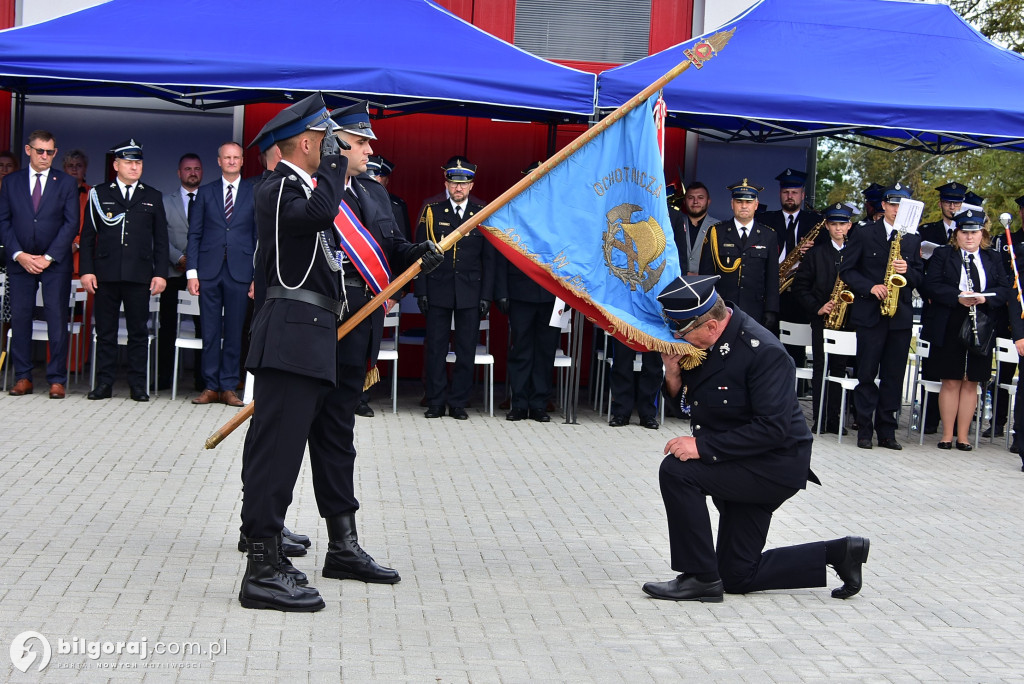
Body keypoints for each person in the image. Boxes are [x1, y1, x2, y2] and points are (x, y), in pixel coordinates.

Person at [238, 94, 442, 611]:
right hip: (292, 335)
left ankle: (309, 552)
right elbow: (321, 214)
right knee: (277, 452)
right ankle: (262, 561)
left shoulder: (317, 188)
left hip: (319, 337)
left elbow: (369, 244)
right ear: (309, 143)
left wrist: (414, 258)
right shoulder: (279, 188)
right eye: (330, 139)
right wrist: (331, 161)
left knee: (318, 443)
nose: (347, 147)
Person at [643, 274, 868, 602]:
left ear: (710, 326)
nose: (678, 337)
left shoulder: (764, 353)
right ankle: (840, 553)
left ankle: (699, 578)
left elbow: (772, 429)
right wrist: (673, 373)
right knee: (736, 574)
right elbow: (684, 405)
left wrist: (702, 447)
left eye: (683, 331)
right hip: (738, 460)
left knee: (677, 471)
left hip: (771, 466)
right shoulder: (705, 342)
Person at [79, 139, 168, 402]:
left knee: (138, 333)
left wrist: (160, 273)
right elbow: (87, 237)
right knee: (105, 332)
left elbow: (160, 239)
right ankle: (104, 383)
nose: (134, 167)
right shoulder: (100, 194)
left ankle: (137, 385)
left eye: (138, 162)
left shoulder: (152, 196)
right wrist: (86, 270)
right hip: (105, 273)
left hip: (139, 275)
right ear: (116, 165)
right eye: (128, 162)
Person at [839, 182, 924, 450]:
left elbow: (922, 278)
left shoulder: (912, 238)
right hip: (870, 314)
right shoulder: (865, 234)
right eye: (892, 204)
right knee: (866, 373)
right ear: (884, 206)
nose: (896, 210)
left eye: (902, 206)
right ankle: (864, 429)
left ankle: (887, 431)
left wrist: (908, 270)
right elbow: (847, 271)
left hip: (899, 317)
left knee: (894, 376)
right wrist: (870, 287)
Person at [920, 210, 1012, 450]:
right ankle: (946, 435)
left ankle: (964, 436)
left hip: (981, 322)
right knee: (951, 379)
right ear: (956, 234)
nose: (970, 237)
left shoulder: (991, 257)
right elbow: (931, 285)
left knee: (971, 380)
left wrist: (985, 299)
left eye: (974, 232)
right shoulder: (943, 254)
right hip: (952, 319)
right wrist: (956, 297)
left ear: (982, 233)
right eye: (965, 232)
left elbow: (1005, 288)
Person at [0, 130, 79, 398]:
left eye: (50, 152)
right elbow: (4, 221)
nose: (45, 156)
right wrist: (19, 254)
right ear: (28, 150)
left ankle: (57, 380)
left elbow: (71, 224)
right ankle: (22, 377)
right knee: (21, 318)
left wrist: (47, 257)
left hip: (54, 263)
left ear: (55, 153)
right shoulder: (11, 182)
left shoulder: (66, 183)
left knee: (56, 318)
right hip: (20, 261)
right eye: (40, 151)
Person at [416, 156, 495, 420]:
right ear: (446, 183)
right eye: (453, 183)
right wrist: (422, 291)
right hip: (438, 288)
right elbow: (420, 257)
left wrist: (486, 296)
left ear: (472, 185)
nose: (458, 189)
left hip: (470, 292)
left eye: (464, 184)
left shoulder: (482, 212)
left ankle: (459, 402)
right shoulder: (432, 210)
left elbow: (489, 259)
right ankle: (436, 401)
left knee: (465, 349)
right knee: (436, 348)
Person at [186, 142, 255, 407]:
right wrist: (192, 272)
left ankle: (228, 387)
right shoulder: (205, 193)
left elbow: (260, 237)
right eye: (227, 157)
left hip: (241, 272)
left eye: (236, 157)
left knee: (236, 331)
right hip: (209, 272)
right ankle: (210, 386)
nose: (231, 161)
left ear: (242, 161)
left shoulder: (254, 191)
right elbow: (195, 233)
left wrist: (256, 277)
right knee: (210, 331)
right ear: (218, 161)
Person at [791, 202, 854, 433]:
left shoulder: (855, 252)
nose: (838, 229)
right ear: (827, 226)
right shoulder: (816, 254)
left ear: (849, 226)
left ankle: (836, 419)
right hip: (823, 320)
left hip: (849, 321)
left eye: (843, 224)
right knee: (821, 367)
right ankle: (820, 418)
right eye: (834, 224)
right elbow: (800, 288)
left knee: (840, 368)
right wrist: (818, 308)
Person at [699, 179, 779, 330]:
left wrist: (771, 309)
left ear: (756, 205)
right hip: (723, 308)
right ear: (732, 204)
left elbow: (772, 278)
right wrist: (707, 307)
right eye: (739, 201)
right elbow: (706, 275)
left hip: (755, 308)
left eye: (748, 202)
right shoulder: (717, 232)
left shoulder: (769, 235)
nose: (743, 206)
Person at [762, 168, 823, 364]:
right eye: (786, 192)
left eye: (794, 192)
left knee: (796, 346)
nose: (790, 196)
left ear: (802, 195)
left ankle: (797, 387)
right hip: (773, 290)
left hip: (800, 291)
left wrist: (811, 252)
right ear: (780, 194)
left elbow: (826, 258)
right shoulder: (766, 220)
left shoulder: (816, 222)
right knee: (768, 342)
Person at [157, 153, 203, 391]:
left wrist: (194, 262)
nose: (192, 172)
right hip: (173, 273)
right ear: (179, 173)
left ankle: (201, 381)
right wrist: (180, 258)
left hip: (200, 276)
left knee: (203, 327)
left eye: (196, 168)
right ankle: (164, 378)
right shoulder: (165, 201)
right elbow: (160, 236)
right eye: (187, 169)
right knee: (167, 327)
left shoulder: (209, 198)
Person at [672, 182, 719, 275]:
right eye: (690, 198)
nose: (695, 201)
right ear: (684, 201)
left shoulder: (719, 227)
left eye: (700, 197)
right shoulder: (673, 225)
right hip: (676, 281)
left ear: (708, 201)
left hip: (707, 284)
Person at [367, 154, 411, 239]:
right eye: (372, 175)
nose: (377, 179)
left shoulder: (396, 207)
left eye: (381, 176)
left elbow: (403, 240)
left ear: (387, 180)